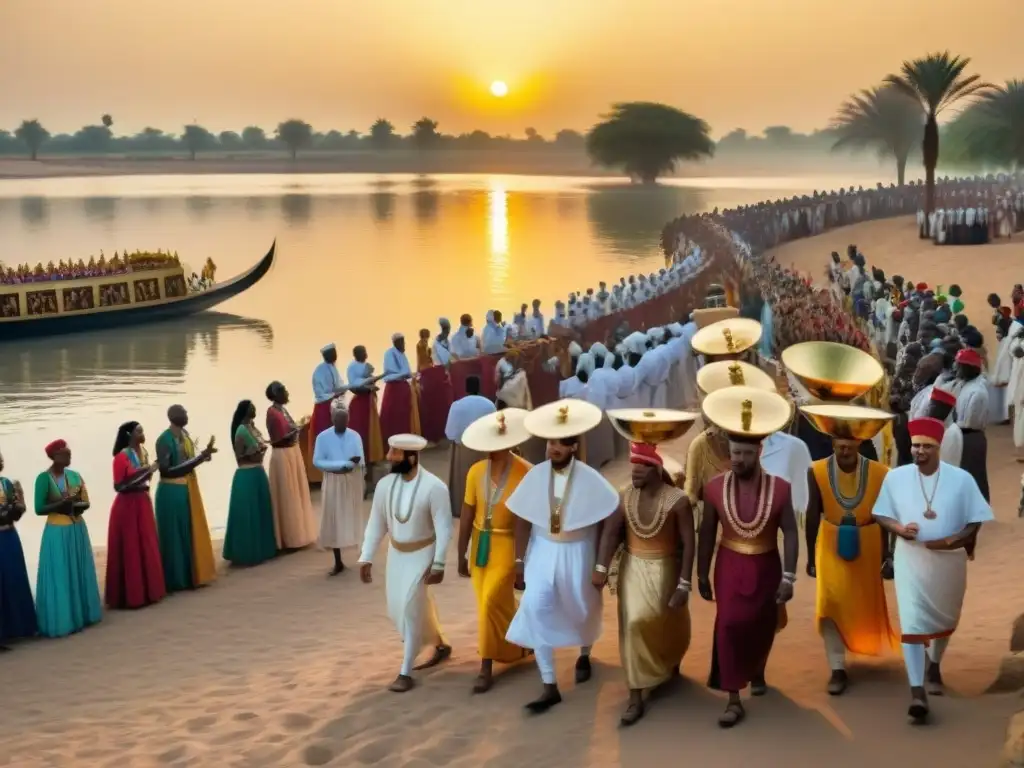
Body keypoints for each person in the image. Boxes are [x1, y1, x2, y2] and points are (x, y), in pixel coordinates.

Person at [871, 416, 993, 723]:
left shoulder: (961, 480)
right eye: (915, 446)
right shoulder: (895, 478)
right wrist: (899, 528)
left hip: (948, 564)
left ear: (939, 448)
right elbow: (881, 514)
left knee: (946, 618)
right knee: (911, 624)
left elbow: (976, 518)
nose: (919, 451)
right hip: (910, 559)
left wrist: (953, 540)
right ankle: (917, 692)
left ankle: (935, 663)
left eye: (926, 446)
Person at [505, 399, 620, 714]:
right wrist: (518, 562)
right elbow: (521, 518)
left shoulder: (588, 477)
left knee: (583, 608)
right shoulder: (536, 475)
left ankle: (585, 653)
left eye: (559, 443)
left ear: (572, 447)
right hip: (542, 551)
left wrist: (601, 565)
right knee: (535, 606)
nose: (552, 448)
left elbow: (613, 513)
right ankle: (549, 684)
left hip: (578, 551)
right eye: (549, 442)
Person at [696, 387, 798, 728]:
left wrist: (789, 578)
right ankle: (732, 697)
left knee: (762, 624)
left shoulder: (781, 488)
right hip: (729, 565)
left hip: (767, 565)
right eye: (734, 453)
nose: (737, 459)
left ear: (759, 451)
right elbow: (707, 532)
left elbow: (792, 532)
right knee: (728, 624)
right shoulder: (713, 488)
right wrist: (700, 573)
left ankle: (757, 670)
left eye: (744, 454)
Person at [595, 442, 695, 726]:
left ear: (656, 468)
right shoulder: (624, 497)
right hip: (632, 570)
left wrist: (684, 583)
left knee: (667, 621)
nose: (635, 470)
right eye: (633, 464)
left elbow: (688, 544)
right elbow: (610, 534)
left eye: (642, 465)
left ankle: (669, 660)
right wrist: (601, 567)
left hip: (666, 570)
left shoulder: (677, 500)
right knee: (632, 624)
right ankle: (636, 694)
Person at [358, 434, 453, 692]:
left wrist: (439, 563)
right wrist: (366, 556)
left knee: (410, 608)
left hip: (423, 553)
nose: (389, 457)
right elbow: (376, 523)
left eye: (395, 453)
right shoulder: (385, 485)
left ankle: (405, 672)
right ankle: (440, 644)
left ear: (412, 457)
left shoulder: (435, 487)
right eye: (390, 452)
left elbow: (444, 529)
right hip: (396, 555)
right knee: (398, 610)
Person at [805, 435, 896, 695]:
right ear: (832, 443)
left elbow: (885, 514)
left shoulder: (880, 473)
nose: (844, 448)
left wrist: (887, 554)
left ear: (859, 443)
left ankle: (855, 647)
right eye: (839, 443)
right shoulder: (817, 470)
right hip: (830, 546)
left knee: (858, 602)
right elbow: (813, 512)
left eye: (850, 443)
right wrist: (811, 557)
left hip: (868, 546)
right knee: (830, 603)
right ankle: (836, 667)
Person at [456, 408, 533, 693]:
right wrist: (460, 552)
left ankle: (486, 665)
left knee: (491, 600)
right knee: (490, 605)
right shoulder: (475, 472)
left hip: (507, 545)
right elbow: (466, 514)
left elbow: (528, 521)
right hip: (480, 545)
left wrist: (522, 559)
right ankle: (520, 645)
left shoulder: (526, 471)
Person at [33, 440, 103, 637]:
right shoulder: (44, 479)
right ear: (55, 456)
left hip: (77, 527)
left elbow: (86, 501)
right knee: (62, 574)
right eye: (65, 453)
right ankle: (64, 620)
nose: (69, 456)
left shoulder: (75, 476)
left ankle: (84, 615)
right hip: (57, 530)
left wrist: (78, 505)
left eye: (69, 453)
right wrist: (61, 505)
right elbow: (39, 508)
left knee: (80, 570)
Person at [154, 405, 218, 593]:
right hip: (171, 491)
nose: (186, 415)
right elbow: (166, 470)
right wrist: (198, 460)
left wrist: (203, 456)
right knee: (174, 535)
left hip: (187, 488)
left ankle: (191, 575)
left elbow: (187, 463)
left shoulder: (185, 436)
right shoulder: (164, 440)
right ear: (173, 416)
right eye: (183, 413)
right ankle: (176, 580)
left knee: (188, 532)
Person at [106, 421, 166, 609]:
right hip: (127, 504)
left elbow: (145, 477)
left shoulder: (144, 453)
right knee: (131, 547)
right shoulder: (121, 457)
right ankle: (132, 595)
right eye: (139, 431)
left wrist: (148, 471)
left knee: (146, 543)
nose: (143, 433)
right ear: (130, 435)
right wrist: (147, 470)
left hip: (142, 501)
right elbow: (118, 485)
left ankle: (150, 590)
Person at [314, 400, 365, 576]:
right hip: (333, 481)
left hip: (351, 481)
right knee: (333, 519)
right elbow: (317, 461)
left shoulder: (355, 436)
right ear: (333, 420)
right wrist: (339, 465)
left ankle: (363, 553)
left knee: (353, 516)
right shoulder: (323, 437)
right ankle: (338, 561)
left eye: (346, 420)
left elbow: (361, 459)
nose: (343, 424)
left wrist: (353, 464)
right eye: (339, 420)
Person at [222, 401, 276, 567]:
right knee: (248, 515)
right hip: (246, 473)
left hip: (258, 472)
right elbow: (240, 456)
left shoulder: (253, 427)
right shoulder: (241, 430)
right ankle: (245, 553)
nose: (255, 409)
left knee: (261, 511)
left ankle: (264, 549)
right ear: (245, 411)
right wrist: (251, 452)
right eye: (251, 407)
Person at [266, 381, 318, 549]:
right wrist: (296, 430)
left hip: (292, 452)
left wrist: (298, 427)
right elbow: (277, 439)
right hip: (282, 455)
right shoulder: (272, 413)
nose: (287, 393)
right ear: (277, 394)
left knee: (297, 493)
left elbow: (289, 429)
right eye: (284, 391)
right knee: (287, 495)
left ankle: (298, 534)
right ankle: (289, 538)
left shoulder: (282, 410)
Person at [445, 376, 496, 517]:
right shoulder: (489, 405)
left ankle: (460, 508)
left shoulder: (457, 405)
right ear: (479, 388)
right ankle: (484, 508)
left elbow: (450, 432)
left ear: (466, 388)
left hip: (464, 449)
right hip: (483, 449)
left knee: (463, 480)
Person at [0, 450, 36, 648]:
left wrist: (20, 500)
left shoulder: (6, 483)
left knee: (14, 578)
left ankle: (18, 628)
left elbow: (17, 514)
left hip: (9, 536)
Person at [951, 347, 989, 501]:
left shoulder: (977, 392)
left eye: (959, 365)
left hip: (971, 436)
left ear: (968, 368)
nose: (956, 369)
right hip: (963, 434)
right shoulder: (964, 385)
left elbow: (969, 421)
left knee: (975, 474)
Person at [309, 344, 349, 480]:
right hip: (323, 408)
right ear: (326, 356)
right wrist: (335, 394)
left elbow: (339, 387)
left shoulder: (333, 368)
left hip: (334, 405)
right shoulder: (319, 371)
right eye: (332, 353)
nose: (335, 356)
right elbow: (320, 394)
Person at [346, 346, 386, 472]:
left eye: (365, 352)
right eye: (362, 353)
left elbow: (371, 380)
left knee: (372, 431)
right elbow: (353, 387)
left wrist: (373, 384)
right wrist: (368, 388)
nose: (365, 355)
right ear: (356, 354)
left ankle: (371, 458)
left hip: (369, 402)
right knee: (360, 430)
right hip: (360, 403)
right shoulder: (352, 368)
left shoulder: (367, 366)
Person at [380, 333, 422, 442]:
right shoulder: (389, 354)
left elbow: (406, 372)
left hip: (403, 388)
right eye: (402, 342)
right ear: (396, 342)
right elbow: (389, 374)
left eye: (404, 342)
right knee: (394, 417)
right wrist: (405, 374)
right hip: (394, 389)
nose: (404, 344)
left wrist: (413, 375)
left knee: (405, 416)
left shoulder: (402, 354)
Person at [928, 386, 963, 466]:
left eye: (934, 407)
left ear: (944, 409)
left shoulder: (950, 432)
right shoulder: (943, 428)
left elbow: (945, 462)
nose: (930, 411)